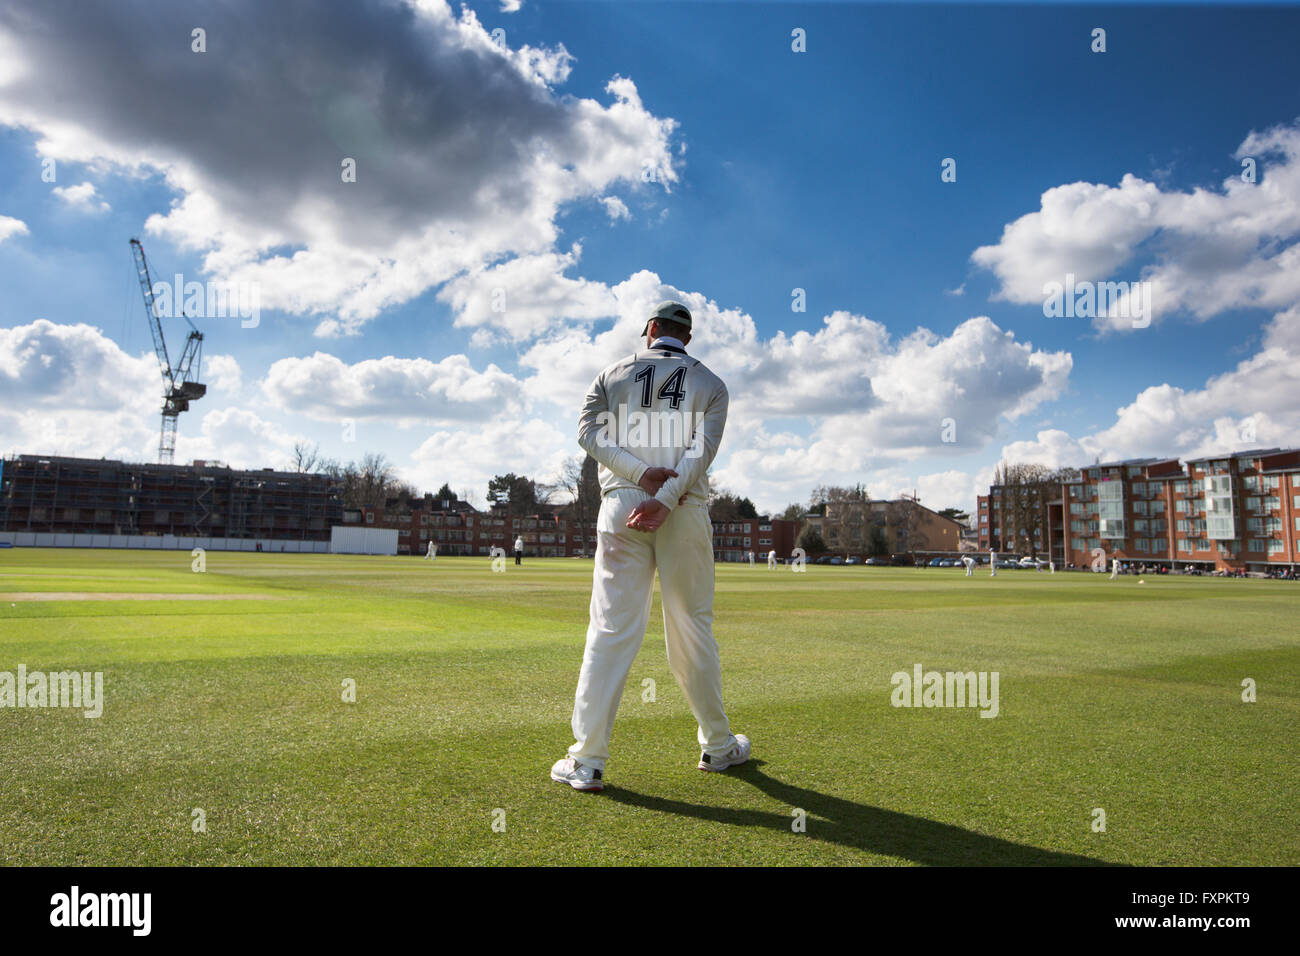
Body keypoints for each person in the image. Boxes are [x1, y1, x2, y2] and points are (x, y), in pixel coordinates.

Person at [551, 300, 749, 792]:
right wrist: (664, 496)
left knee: (611, 628)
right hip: (683, 509)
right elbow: (701, 453)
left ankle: (588, 761)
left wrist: (641, 477)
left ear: (652, 330)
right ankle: (719, 747)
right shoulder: (712, 384)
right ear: (687, 336)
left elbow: (586, 435)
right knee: (691, 627)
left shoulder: (611, 374)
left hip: (622, 506)